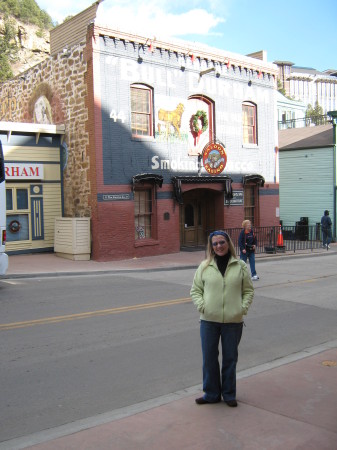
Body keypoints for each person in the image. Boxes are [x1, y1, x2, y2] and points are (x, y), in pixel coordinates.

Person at [190, 230, 254, 407]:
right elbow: (195, 290)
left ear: (228, 243)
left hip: (233, 322)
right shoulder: (204, 266)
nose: (219, 246)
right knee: (209, 358)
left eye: (222, 242)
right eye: (215, 243)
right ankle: (211, 393)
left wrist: (242, 309)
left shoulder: (240, 265)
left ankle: (228, 394)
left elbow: (248, 290)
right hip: (208, 321)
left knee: (230, 358)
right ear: (211, 246)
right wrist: (203, 307)